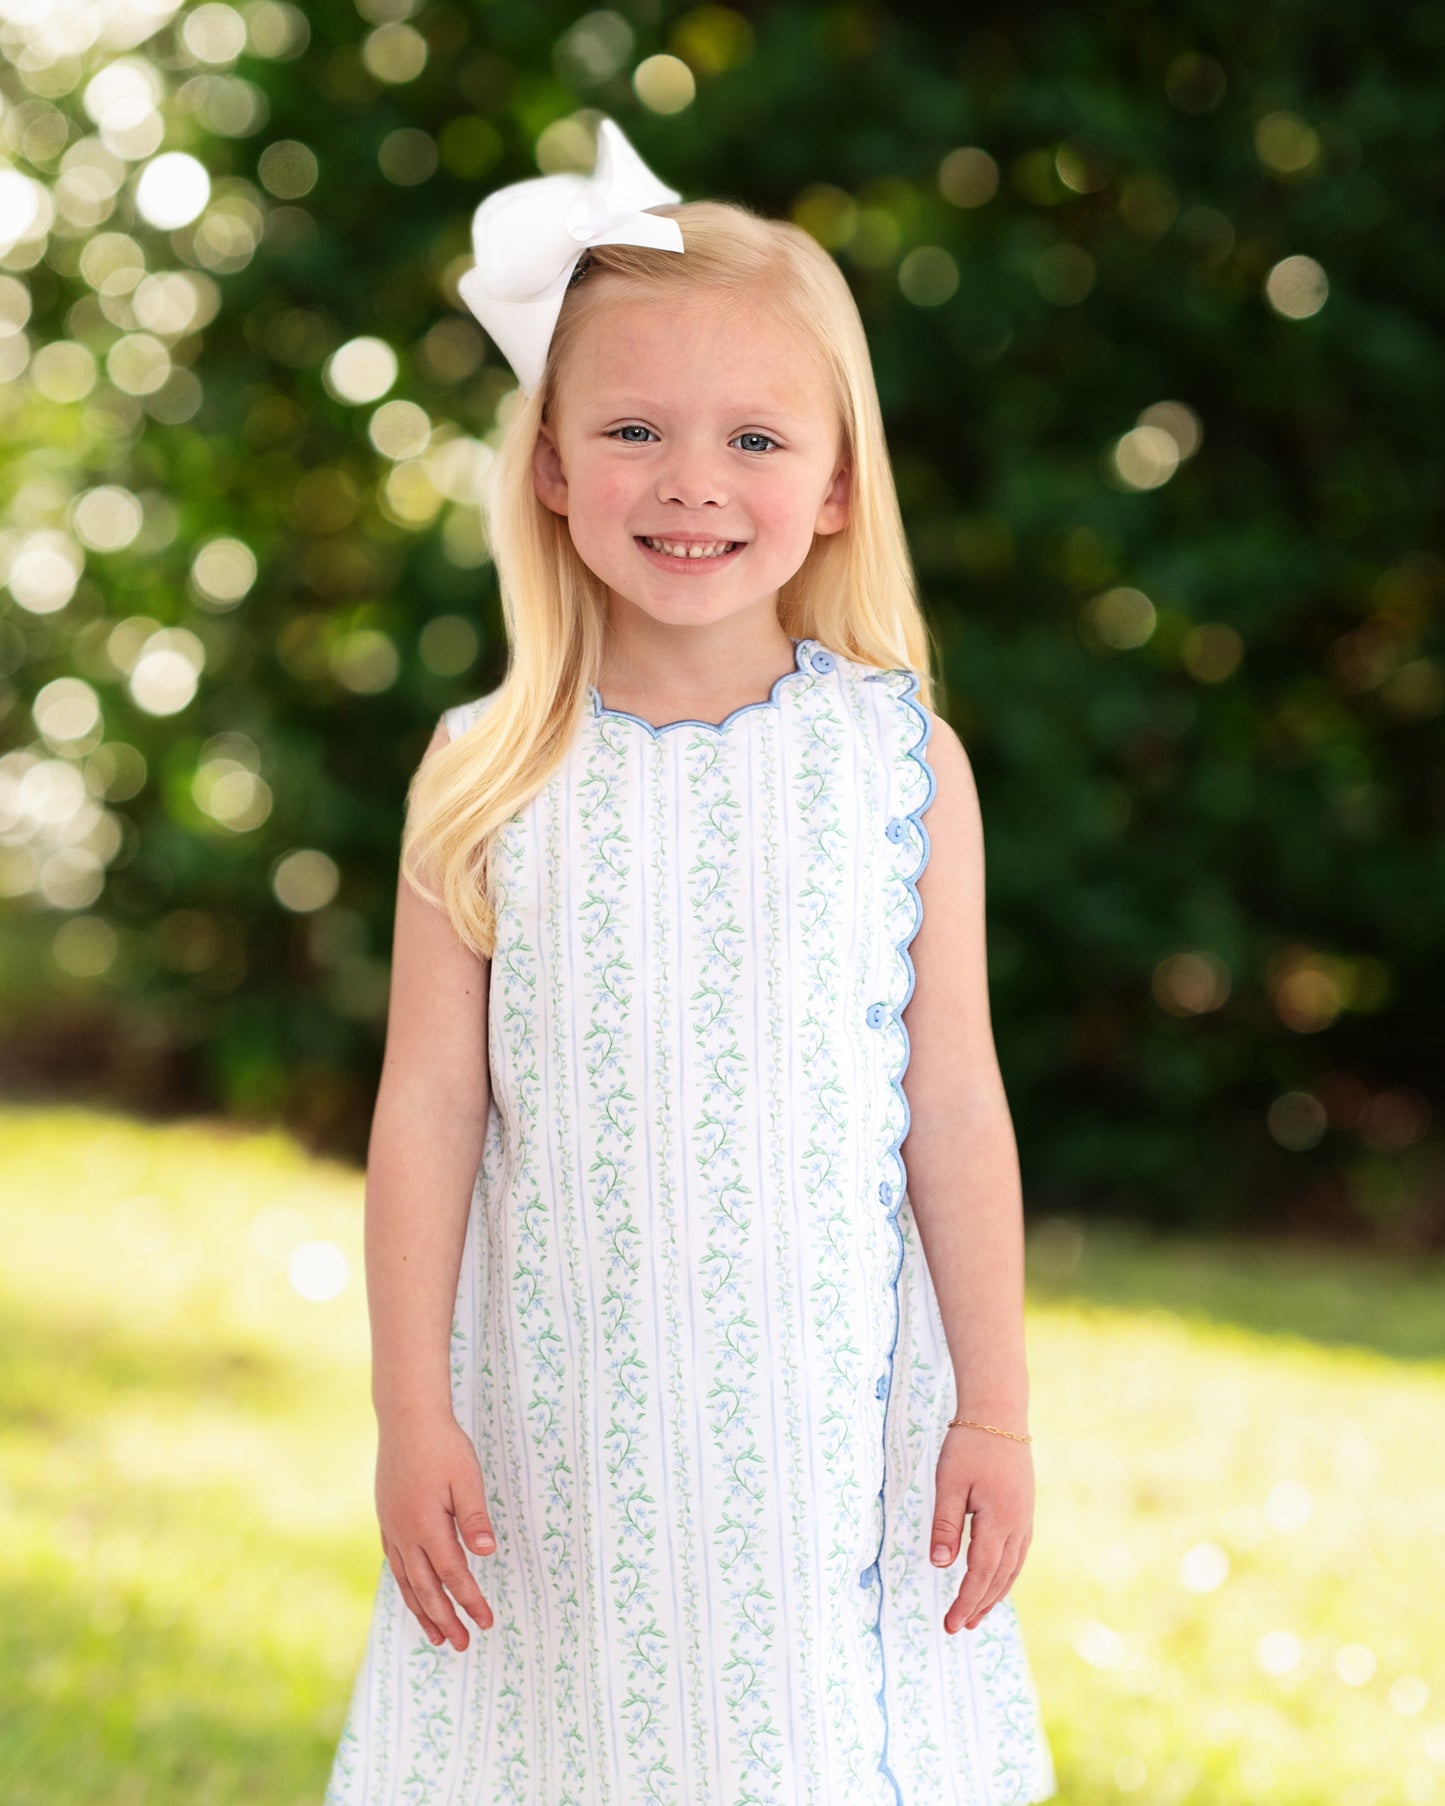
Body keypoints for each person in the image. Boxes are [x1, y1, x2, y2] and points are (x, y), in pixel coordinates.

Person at [324, 117, 1056, 1806]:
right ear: (554, 466)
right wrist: (410, 1411)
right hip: (560, 1426)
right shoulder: (484, 773)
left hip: (826, 1428)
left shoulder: (893, 763)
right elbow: (427, 1112)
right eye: (634, 429)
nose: (691, 481)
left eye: (752, 436)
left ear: (837, 481)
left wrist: (997, 1412)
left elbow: (951, 1105)